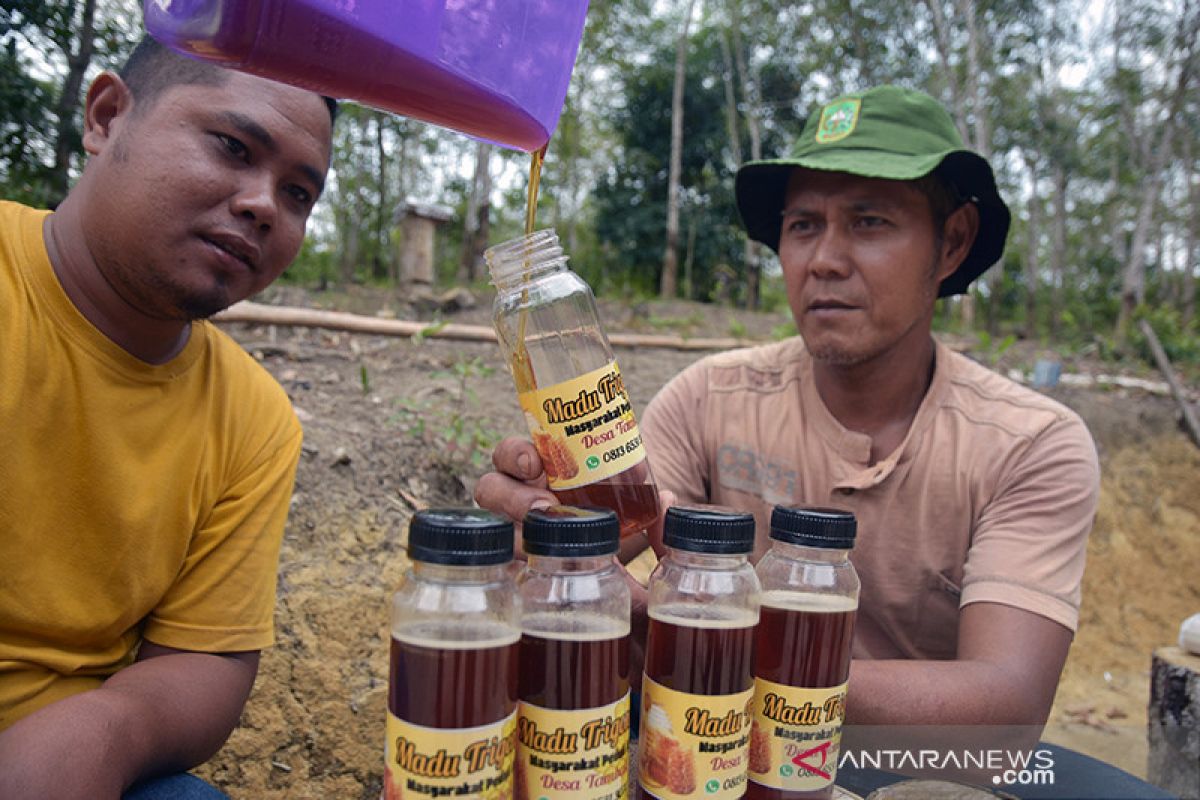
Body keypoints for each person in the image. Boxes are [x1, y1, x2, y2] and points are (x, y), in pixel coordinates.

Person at [476, 86, 1100, 732]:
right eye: (803, 226)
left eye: (869, 222)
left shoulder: (1030, 444)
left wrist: (714, 638)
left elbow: (1005, 710)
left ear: (952, 243)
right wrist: (543, 528)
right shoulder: (707, 401)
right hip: (712, 749)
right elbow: (601, 529)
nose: (824, 261)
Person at [0, 36, 335, 799]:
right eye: (231, 145)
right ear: (109, 115)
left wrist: (106, 733)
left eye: (298, 195)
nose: (261, 204)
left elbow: (205, 656)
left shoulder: (253, 418)